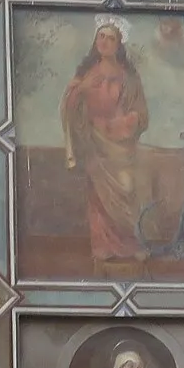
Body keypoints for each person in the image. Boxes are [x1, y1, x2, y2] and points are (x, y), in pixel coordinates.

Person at [60, 14, 151, 265]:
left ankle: (129, 244)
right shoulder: (86, 75)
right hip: (94, 144)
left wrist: (126, 123)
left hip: (121, 146)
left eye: (111, 38)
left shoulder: (129, 77)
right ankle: (102, 245)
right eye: (101, 36)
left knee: (126, 191)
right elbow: (69, 107)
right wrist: (82, 90)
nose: (105, 42)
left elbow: (142, 113)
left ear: (119, 44)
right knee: (98, 197)